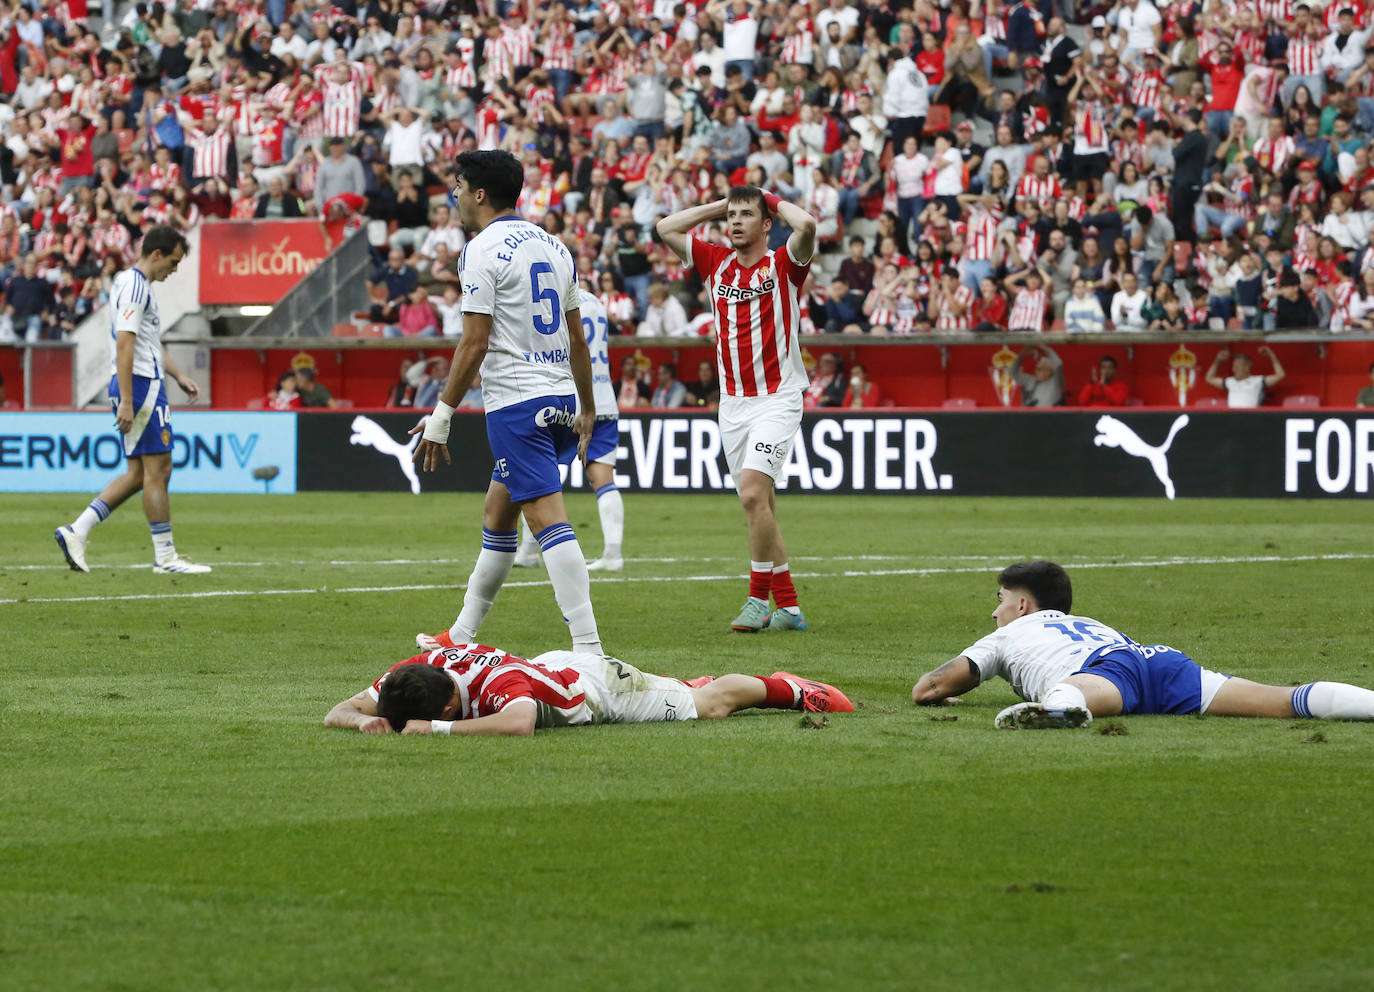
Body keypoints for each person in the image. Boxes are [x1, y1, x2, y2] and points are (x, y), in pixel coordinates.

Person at [410, 150, 602, 656]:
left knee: (546, 520)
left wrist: (441, 415)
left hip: (518, 404)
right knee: (498, 515)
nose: (452, 195)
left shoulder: (481, 249)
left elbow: (474, 343)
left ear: (478, 193)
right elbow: (578, 339)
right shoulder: (556, 246)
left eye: (457, 186)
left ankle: (589, 650)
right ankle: (461, 635)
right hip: (559, 395)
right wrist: (586, 407)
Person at [911, 560, 1374, 728]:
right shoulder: (1084, 621)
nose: (996, 612)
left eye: (1002, 601)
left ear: (1025, 605)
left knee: (1073, 692)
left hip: (1108, 671)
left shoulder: (1007, 634)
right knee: (1284, 701)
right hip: (1159, 661)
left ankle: (1058, 710)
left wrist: (956, 685)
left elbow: (928, 688)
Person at [657, 185, 817, 632]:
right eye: (732, 216)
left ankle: (756, 599)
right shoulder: (715, 262)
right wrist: (720, 206)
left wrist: (767, 196)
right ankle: (789, 608)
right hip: (732, 403)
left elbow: (805, 224)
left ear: (767, 224)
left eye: (747, 215)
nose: (735, 222)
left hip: (778, 397)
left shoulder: (783, 264)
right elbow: (665, 227)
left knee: (750, 494)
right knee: (759, 503)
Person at [54, 226, 209, 575]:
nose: (175, 270)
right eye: (173, 261)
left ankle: (76, 531)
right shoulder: (136, 287)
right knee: (160, 469)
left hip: (144, 383)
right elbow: (125, 344)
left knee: (140, 473)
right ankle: (165, 557)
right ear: (156, 254)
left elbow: (147, 343)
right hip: (140, 388)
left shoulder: (133, 285)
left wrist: (178, 375)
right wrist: (127, 399)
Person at [323, 642, 854, 736]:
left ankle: (784, 687)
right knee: (683, 692)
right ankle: (681, 686)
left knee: (711, 707)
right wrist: (362, 718)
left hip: (600, 690)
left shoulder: (498, 685)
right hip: (553, 669)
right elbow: (337, 711)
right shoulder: (417, 670)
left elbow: (519, 723)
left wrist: (433, 730)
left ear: (445, 705)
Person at [513, 290, 626, 573]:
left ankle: (528, 550)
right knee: (603, 480)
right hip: (602, 398)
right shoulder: (597, 303)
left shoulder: (555, 299)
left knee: (538, 472)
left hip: (566, 398)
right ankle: (613, 554)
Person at [1205, 346, 1285, 408]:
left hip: (1249, 418)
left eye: (1237, 367)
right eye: (1233, 366)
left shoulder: (1257, 381)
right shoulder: (1230, 382)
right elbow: (1209, 378)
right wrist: (1218, 360)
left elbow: (1280, 375)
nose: (1234, 370)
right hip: (1232, 419)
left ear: (1247, 367)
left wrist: (1271, 355)